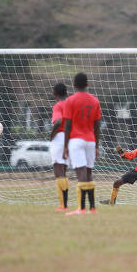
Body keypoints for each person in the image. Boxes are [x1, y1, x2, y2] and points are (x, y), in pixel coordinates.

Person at [62, 73, 101, 215]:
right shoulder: (95, 101)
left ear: (74, 84)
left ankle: (81, 208)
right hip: (90, 140)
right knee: (88, 172)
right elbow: (97, 125)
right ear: (87, 84)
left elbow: (67, 125)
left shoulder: (70, 101)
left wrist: (65, 146)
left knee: (81, 173)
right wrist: (97, 145)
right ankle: (92, 208)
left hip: (76, 140)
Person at [50, 83, 69, 212]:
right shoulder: (71, 105)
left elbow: (58, 121)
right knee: (64, 171)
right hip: (70, 138)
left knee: (58, 171)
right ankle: (65, 203)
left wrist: (52, 134)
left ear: (55, 94)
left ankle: (62, 205)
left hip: (59, 137)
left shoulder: (58, 105)